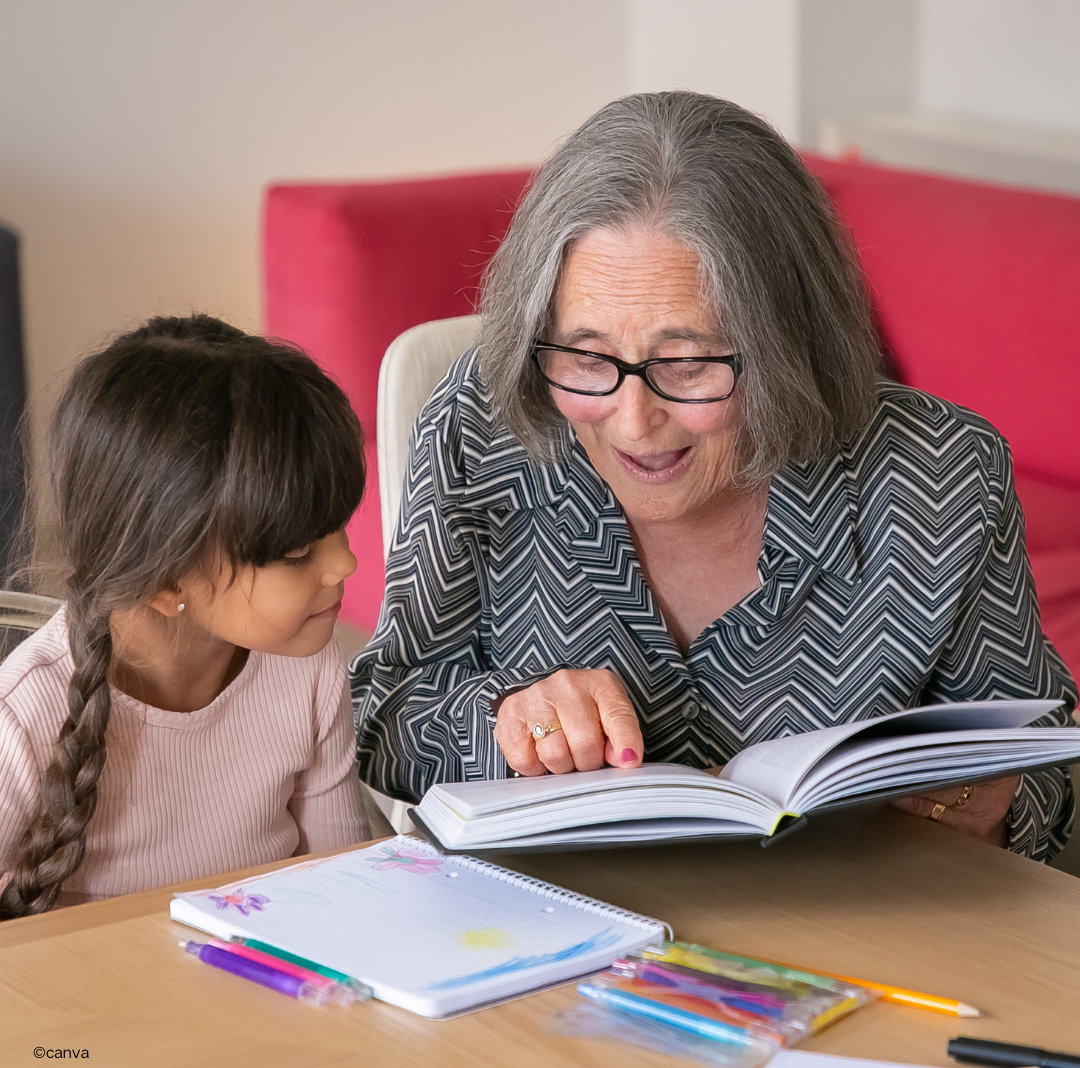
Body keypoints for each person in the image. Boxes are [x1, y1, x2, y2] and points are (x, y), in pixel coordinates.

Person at [353, 92, 1076, 862]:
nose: (632, 421)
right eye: (587, 358)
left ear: (788, 346)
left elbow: (1044, 755)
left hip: (853, 938)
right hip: (547, 930)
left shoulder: (941, 473)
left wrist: (990, 805)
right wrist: (503, 719)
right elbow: (386, 711)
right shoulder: (486, 423)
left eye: (690, 364)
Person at [0, 315, 370, 918]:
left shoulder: (306, 666)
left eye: (339, 525)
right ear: (166, 577)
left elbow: (342, 891)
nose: (345, 563)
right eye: (298, 551)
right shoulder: (23, 715)